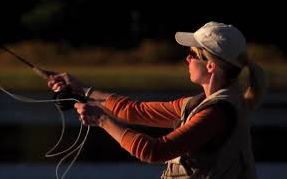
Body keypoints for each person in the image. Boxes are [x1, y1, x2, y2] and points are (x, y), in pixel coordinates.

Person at [47, 21, 266, 178]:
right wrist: (82, 89)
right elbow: (134, 111)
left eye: (192, 54)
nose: (187, 59)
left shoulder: (216, 114)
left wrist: (102, 121)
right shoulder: (199, 104)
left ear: (210, 66)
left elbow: (154, 151)